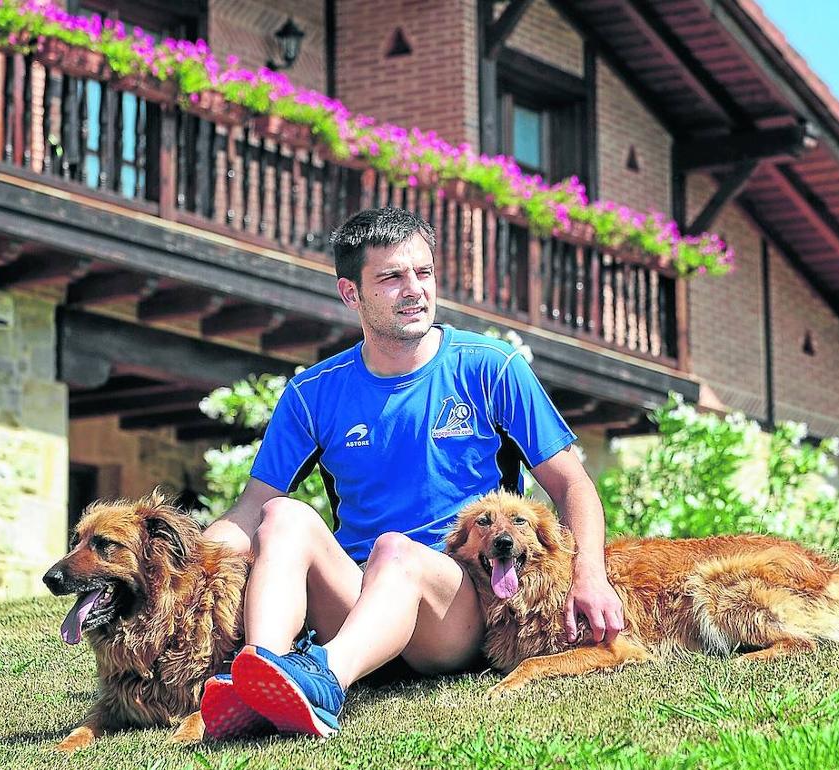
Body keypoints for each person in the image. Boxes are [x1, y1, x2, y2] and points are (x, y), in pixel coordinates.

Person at [199, 207, 624, 739]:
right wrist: (181, 563)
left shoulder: (490, 367)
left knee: (395, 550)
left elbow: (571, 484)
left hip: (456, 606)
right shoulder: (313, 393)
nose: (414, 290)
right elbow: (247, 511)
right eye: (392, 277)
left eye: (423, 273)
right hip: (356, 600)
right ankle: (261, 675)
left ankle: (324, 680)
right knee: (281, 515)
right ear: (351, 294)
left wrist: (591, 575)